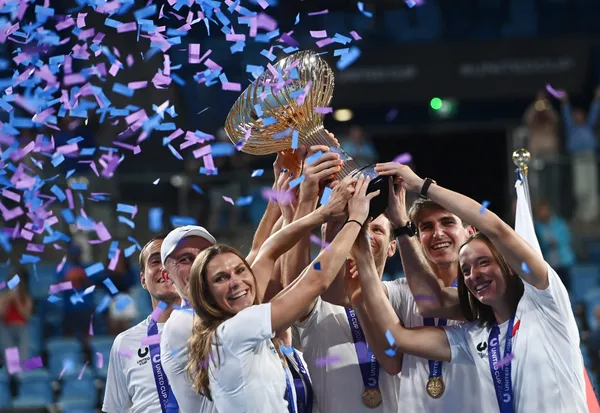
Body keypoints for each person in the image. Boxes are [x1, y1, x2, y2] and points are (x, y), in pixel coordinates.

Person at [360, 162, 586, 413]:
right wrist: (364, 240)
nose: (474, 275)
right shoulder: (475, 336)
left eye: (484, 262)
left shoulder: (545, 303)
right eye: (465, 270)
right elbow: (402, 333)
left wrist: (423, 186)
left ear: (510, 265)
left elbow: (496, 228)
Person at [185, 175, 375, 413]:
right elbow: (316, 280)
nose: (236, 283)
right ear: (205, 294)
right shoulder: (233, 331)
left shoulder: (234, 328)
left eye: (240, 270)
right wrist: (355, 219)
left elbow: (269, 251)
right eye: (220, 278)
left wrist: (319, 213)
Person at [159, 150, 295, 413]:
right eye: (185, 259)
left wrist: (279, 191)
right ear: (167, 274)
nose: (198, 265)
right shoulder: (183, 323)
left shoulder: (220, 306)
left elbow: (258, 253)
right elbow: (263, 258)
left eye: (204, 255)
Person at [345, 161, 482, 413]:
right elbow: (391, 360)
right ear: (416, 239)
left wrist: (403, 222)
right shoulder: (399, 292)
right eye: (426, 227)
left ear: (470, 231)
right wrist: (351, 217)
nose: (437, 233)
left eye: (447, 222)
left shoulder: (483, 294)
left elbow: (433, 302)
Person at [286, 144, 401, 413]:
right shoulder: (320, 302)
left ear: (392, 247)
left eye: (377, 229)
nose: (365, 233)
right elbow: (294, 282)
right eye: (359, 224)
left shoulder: (401, 297)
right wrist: (309, 199)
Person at [102, 235, 181, 413]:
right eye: (156, 261)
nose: (164, 267)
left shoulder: (210, 331)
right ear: (143, 280)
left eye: (172, 259)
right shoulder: (124, 343)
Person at [558, 88, 600, 223]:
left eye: (580, 114)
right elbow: (566, 116)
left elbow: (594, 113)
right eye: (576, 115)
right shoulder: (572, 128)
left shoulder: (588, 126)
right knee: (580, 188)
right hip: (577, 158)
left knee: (591, 186)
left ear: (584, 116)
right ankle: (582, 213)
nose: (578, 116)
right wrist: (565, 102)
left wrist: (597, 99)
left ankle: (593, 214)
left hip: (590, 156)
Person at [534, 200, 575, 291]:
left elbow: (567, 238)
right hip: (549, 263)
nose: (542, 213)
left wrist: (557, 242)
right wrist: (546, 244)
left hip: (563, 261)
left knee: (567, 288)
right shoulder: (537, 227)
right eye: (540, 211)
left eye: (544, 210)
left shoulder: (560, 223)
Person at [0, 267, 33, 360]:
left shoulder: (25, 297)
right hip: (7, 328)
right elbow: (2, 315)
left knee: (23, 356)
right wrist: (8, 300)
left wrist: (17, 301)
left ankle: (23, 367)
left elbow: (27, 315)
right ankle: (12, 367)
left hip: (22, 328)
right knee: (11, 358)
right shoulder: (3, 297)